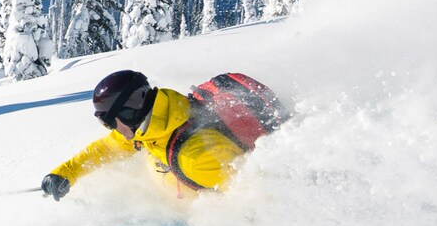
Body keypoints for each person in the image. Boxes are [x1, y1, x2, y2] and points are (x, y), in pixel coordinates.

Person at [41, 69, 276, 199]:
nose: (112, 131)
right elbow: (105, 149)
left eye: (109, 123)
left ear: (129, 113)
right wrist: (66, 174)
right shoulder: (155, 126)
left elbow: (258, 199)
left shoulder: (199, 158)